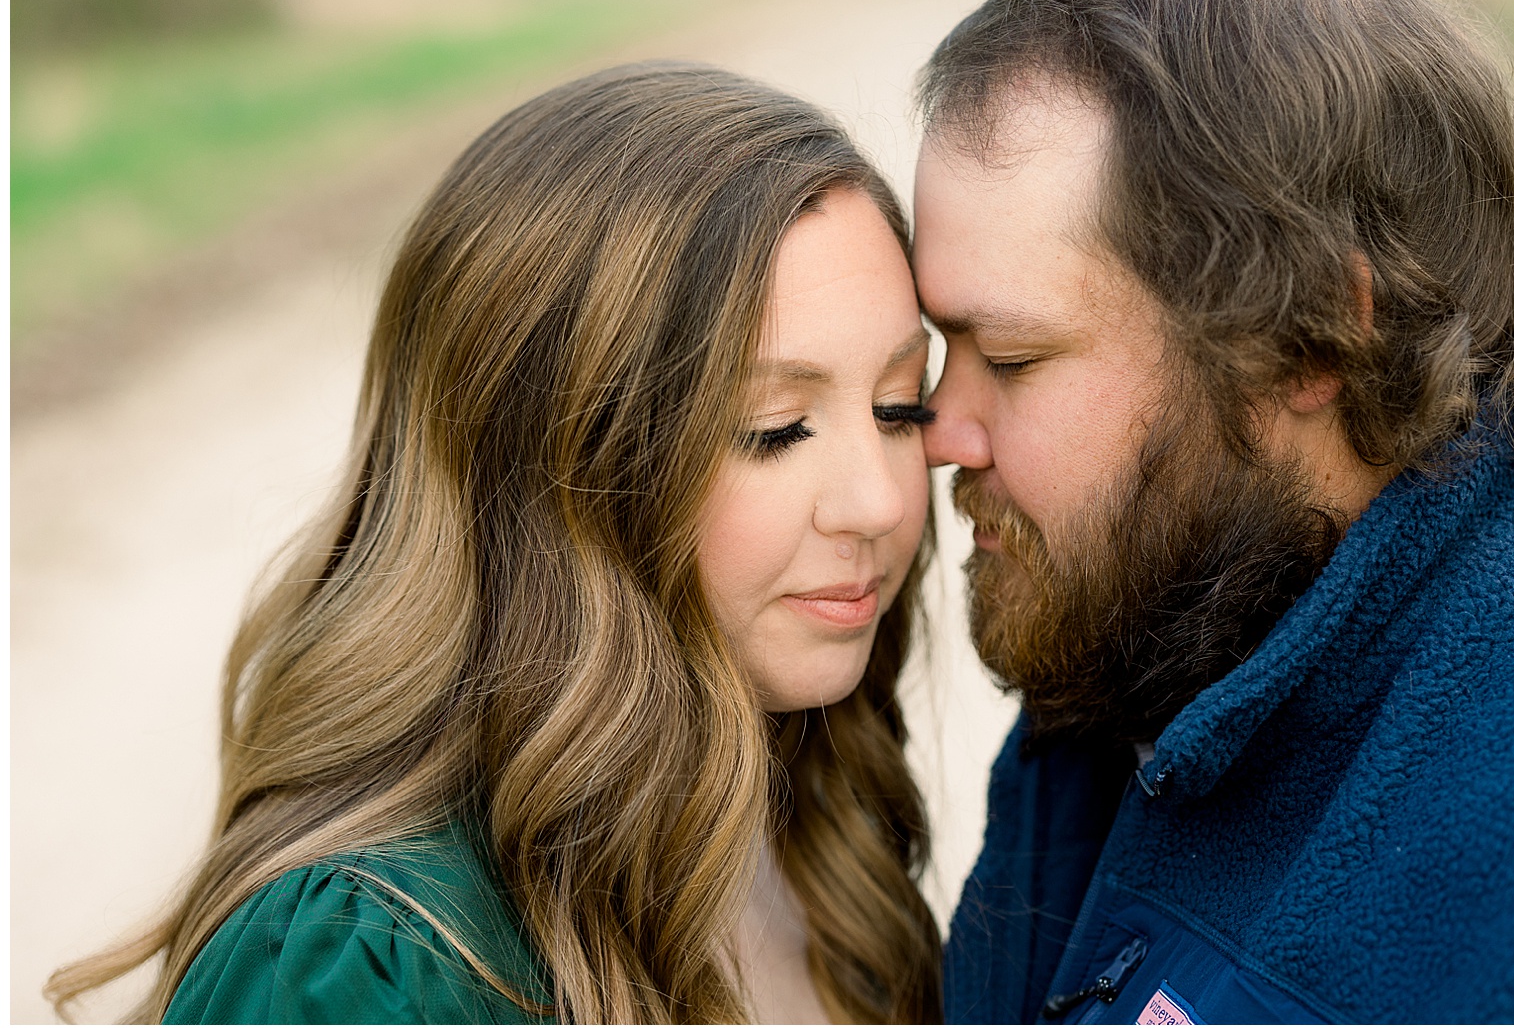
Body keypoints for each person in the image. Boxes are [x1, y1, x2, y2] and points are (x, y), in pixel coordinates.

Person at [913, 0, 1514, 1025]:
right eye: (941, 348)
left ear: (1310, 339)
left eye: (1014, 357)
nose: (943, 426)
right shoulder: (1148, 639)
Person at [47, 63, 944, 1024]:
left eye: (900, 406)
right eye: (775, 426)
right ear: (550, 471)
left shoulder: (819, 814)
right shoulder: (360, 966)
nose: (880, 500)